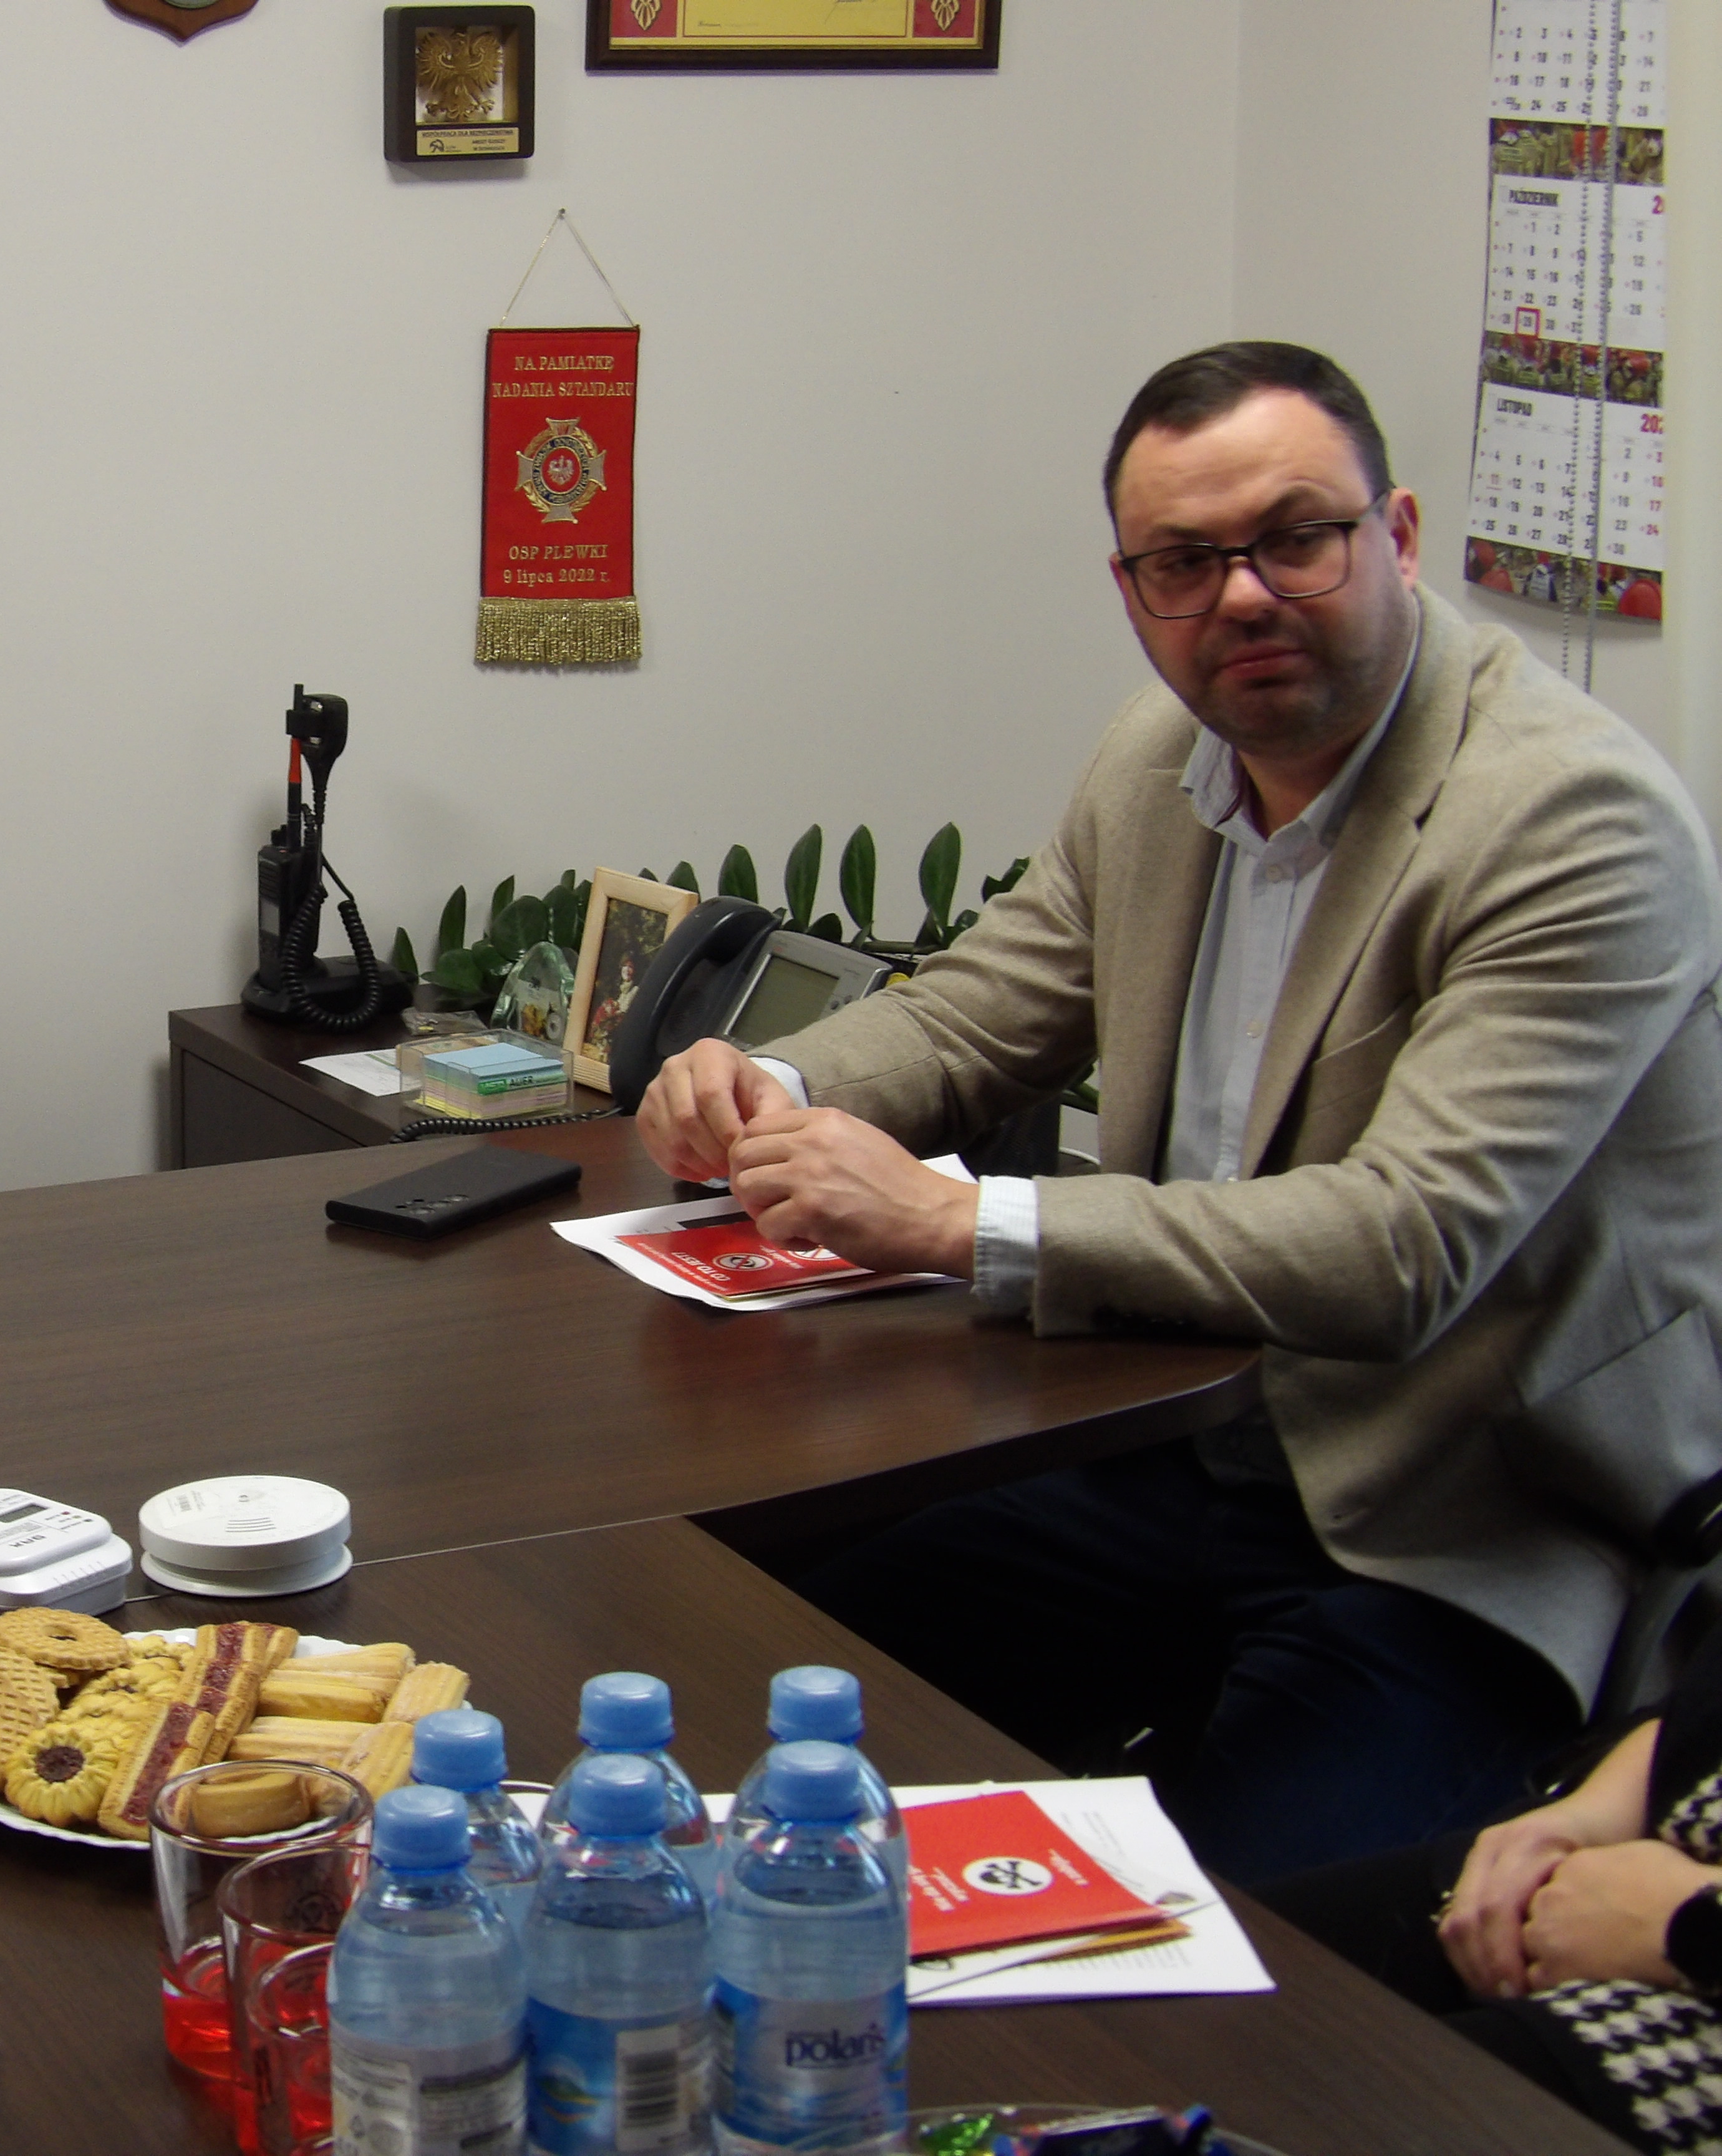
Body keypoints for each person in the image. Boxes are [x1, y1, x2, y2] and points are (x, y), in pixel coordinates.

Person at [638, 341, 1722, 1882]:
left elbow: (1402, 1245)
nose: (1244, 596)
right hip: (1174, 1442)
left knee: (1246, 1948)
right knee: (738, 1712)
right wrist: (780, 1087)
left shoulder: (1568, 818)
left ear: (1399, 535)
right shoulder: (1162, 760)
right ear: (1132, 586)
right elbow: (983, 1006)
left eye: (1297, 538)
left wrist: (956, 1219)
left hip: (1450, 1523)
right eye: (1185, 562)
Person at [1259, 1624, 1722, 2149]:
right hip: (1634, 1846)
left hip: (1689, 1987)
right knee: (1211, 1987)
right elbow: (1696, 1711)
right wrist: (1579, 1820)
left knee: (1321, 2110)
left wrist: (1681, 1922)